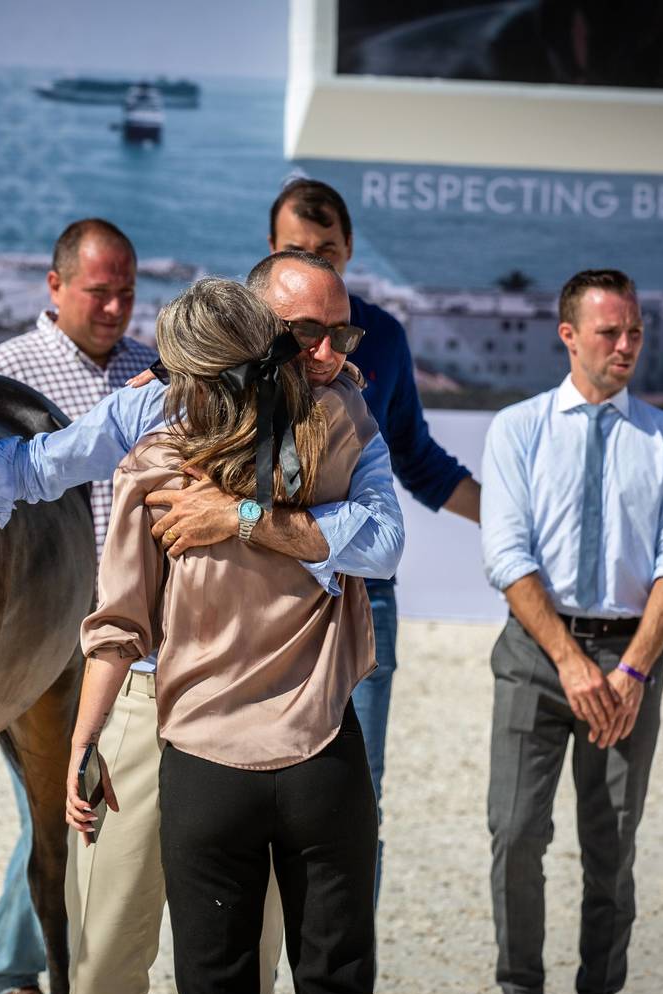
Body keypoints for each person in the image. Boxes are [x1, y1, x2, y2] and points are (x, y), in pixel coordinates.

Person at [0, 251, 403, 994]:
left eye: (341, 332)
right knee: (103, 964)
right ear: (253, 330)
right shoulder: (162, 407)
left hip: (283, 726)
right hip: (143, 695)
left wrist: (242, 516)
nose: (334, 354)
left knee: (247, 987)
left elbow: (385, 542)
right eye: (311, 335)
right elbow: (35, 468)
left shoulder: (345, 420)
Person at [67, 277, 387, 994]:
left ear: (186, 373)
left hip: (205, 767)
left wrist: (83, 742)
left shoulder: (154, 466)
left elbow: (117, 627)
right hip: (321, 757)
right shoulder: (337, 427)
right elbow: (382, 540)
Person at [476, 269, 663, 994]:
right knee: (514, 833)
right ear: (567, 334)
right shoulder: (517, 429)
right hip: (537, 654)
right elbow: (505, 555)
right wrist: (570, 661)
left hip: (629, 657)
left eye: (634, 331)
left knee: (610, 844)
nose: (626, 346)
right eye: (609, 332)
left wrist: (633, 671)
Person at [0, 218, 156, 994]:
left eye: (125, 292)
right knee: (66, 800)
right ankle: (7, 967)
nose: (113, 306)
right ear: (54, 285)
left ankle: (32, 965)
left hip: (138, 632)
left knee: (76, 800)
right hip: (41, 629)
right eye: (97, 289)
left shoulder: (156, 373)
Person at [260, 178, 480, 899]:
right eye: (297, 248)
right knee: (247, 786)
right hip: (253, 598)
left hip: (362, 597)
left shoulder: (381, 336)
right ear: (271, 250)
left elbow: (416, 455)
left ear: (349, 250)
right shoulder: (239, 333)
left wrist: (519, 520)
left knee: (356, 798)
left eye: (327, 248)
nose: (315, 258)